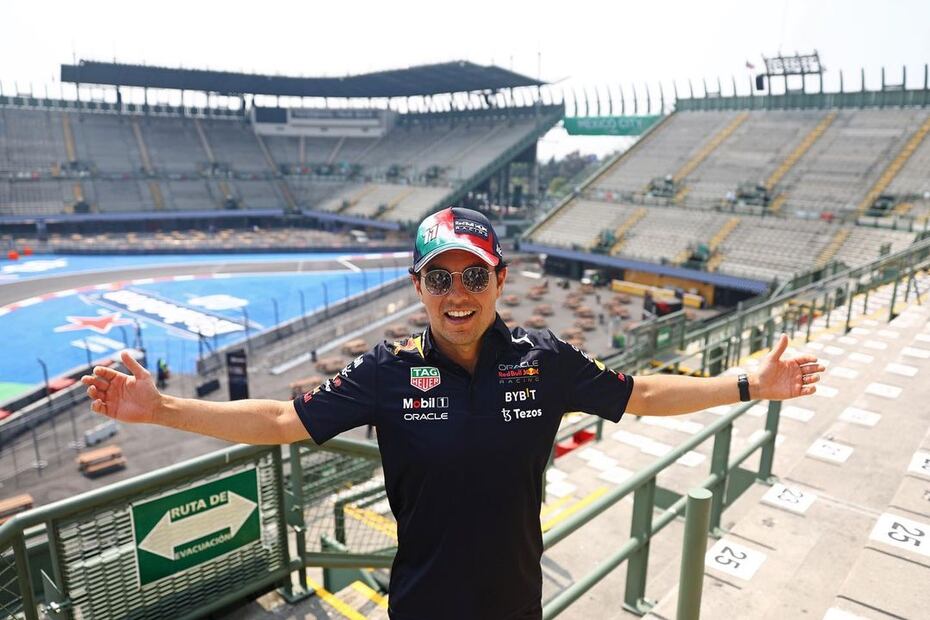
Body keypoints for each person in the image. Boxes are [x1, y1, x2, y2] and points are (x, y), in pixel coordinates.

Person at [81, 206, 824, 620]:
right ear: (418, 285)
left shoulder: (545, 358)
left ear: (499, 278)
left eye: (473, 273)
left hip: (514, 605)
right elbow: (282, 422)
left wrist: (746, 385)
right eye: (439, 276)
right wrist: (162, 408)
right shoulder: (387, 369)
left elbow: (642, 394)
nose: (456, 290)